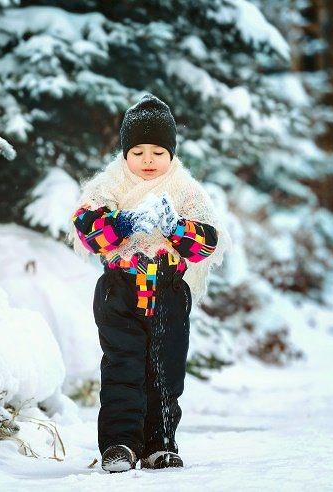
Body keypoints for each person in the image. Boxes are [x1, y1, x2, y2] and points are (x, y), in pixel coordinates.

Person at [69, 94, 228, 472]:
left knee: (165, 369)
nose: (148, 160)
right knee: (123, 367)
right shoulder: (108, 187)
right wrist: (123, 223)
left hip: (169, 291)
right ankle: (121, 444)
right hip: (121, 290)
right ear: (124, 154)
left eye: (158, 151)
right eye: (137, 151)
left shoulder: (185, 190)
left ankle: (160, 444)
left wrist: (174, 227)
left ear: (171, 154)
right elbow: (87, 230)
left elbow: (206, 240)